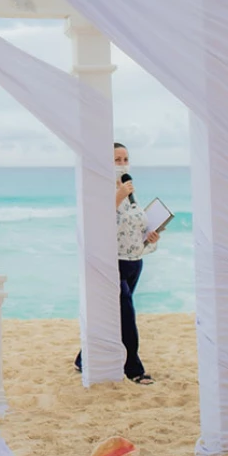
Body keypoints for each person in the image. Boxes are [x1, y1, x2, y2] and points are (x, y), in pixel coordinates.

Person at [74, 142, 161, 385]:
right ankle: (134, 368)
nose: (122, 164)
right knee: (127, 317)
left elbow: (134, 228)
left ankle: (83, 358)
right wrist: (116, 197)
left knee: (117, 316)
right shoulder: (103, 191)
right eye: (117, 160)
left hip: (135, 262)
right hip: (114, 265)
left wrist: (150, 236)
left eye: (125, 159)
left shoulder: (130, 190)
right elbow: (96, 224)